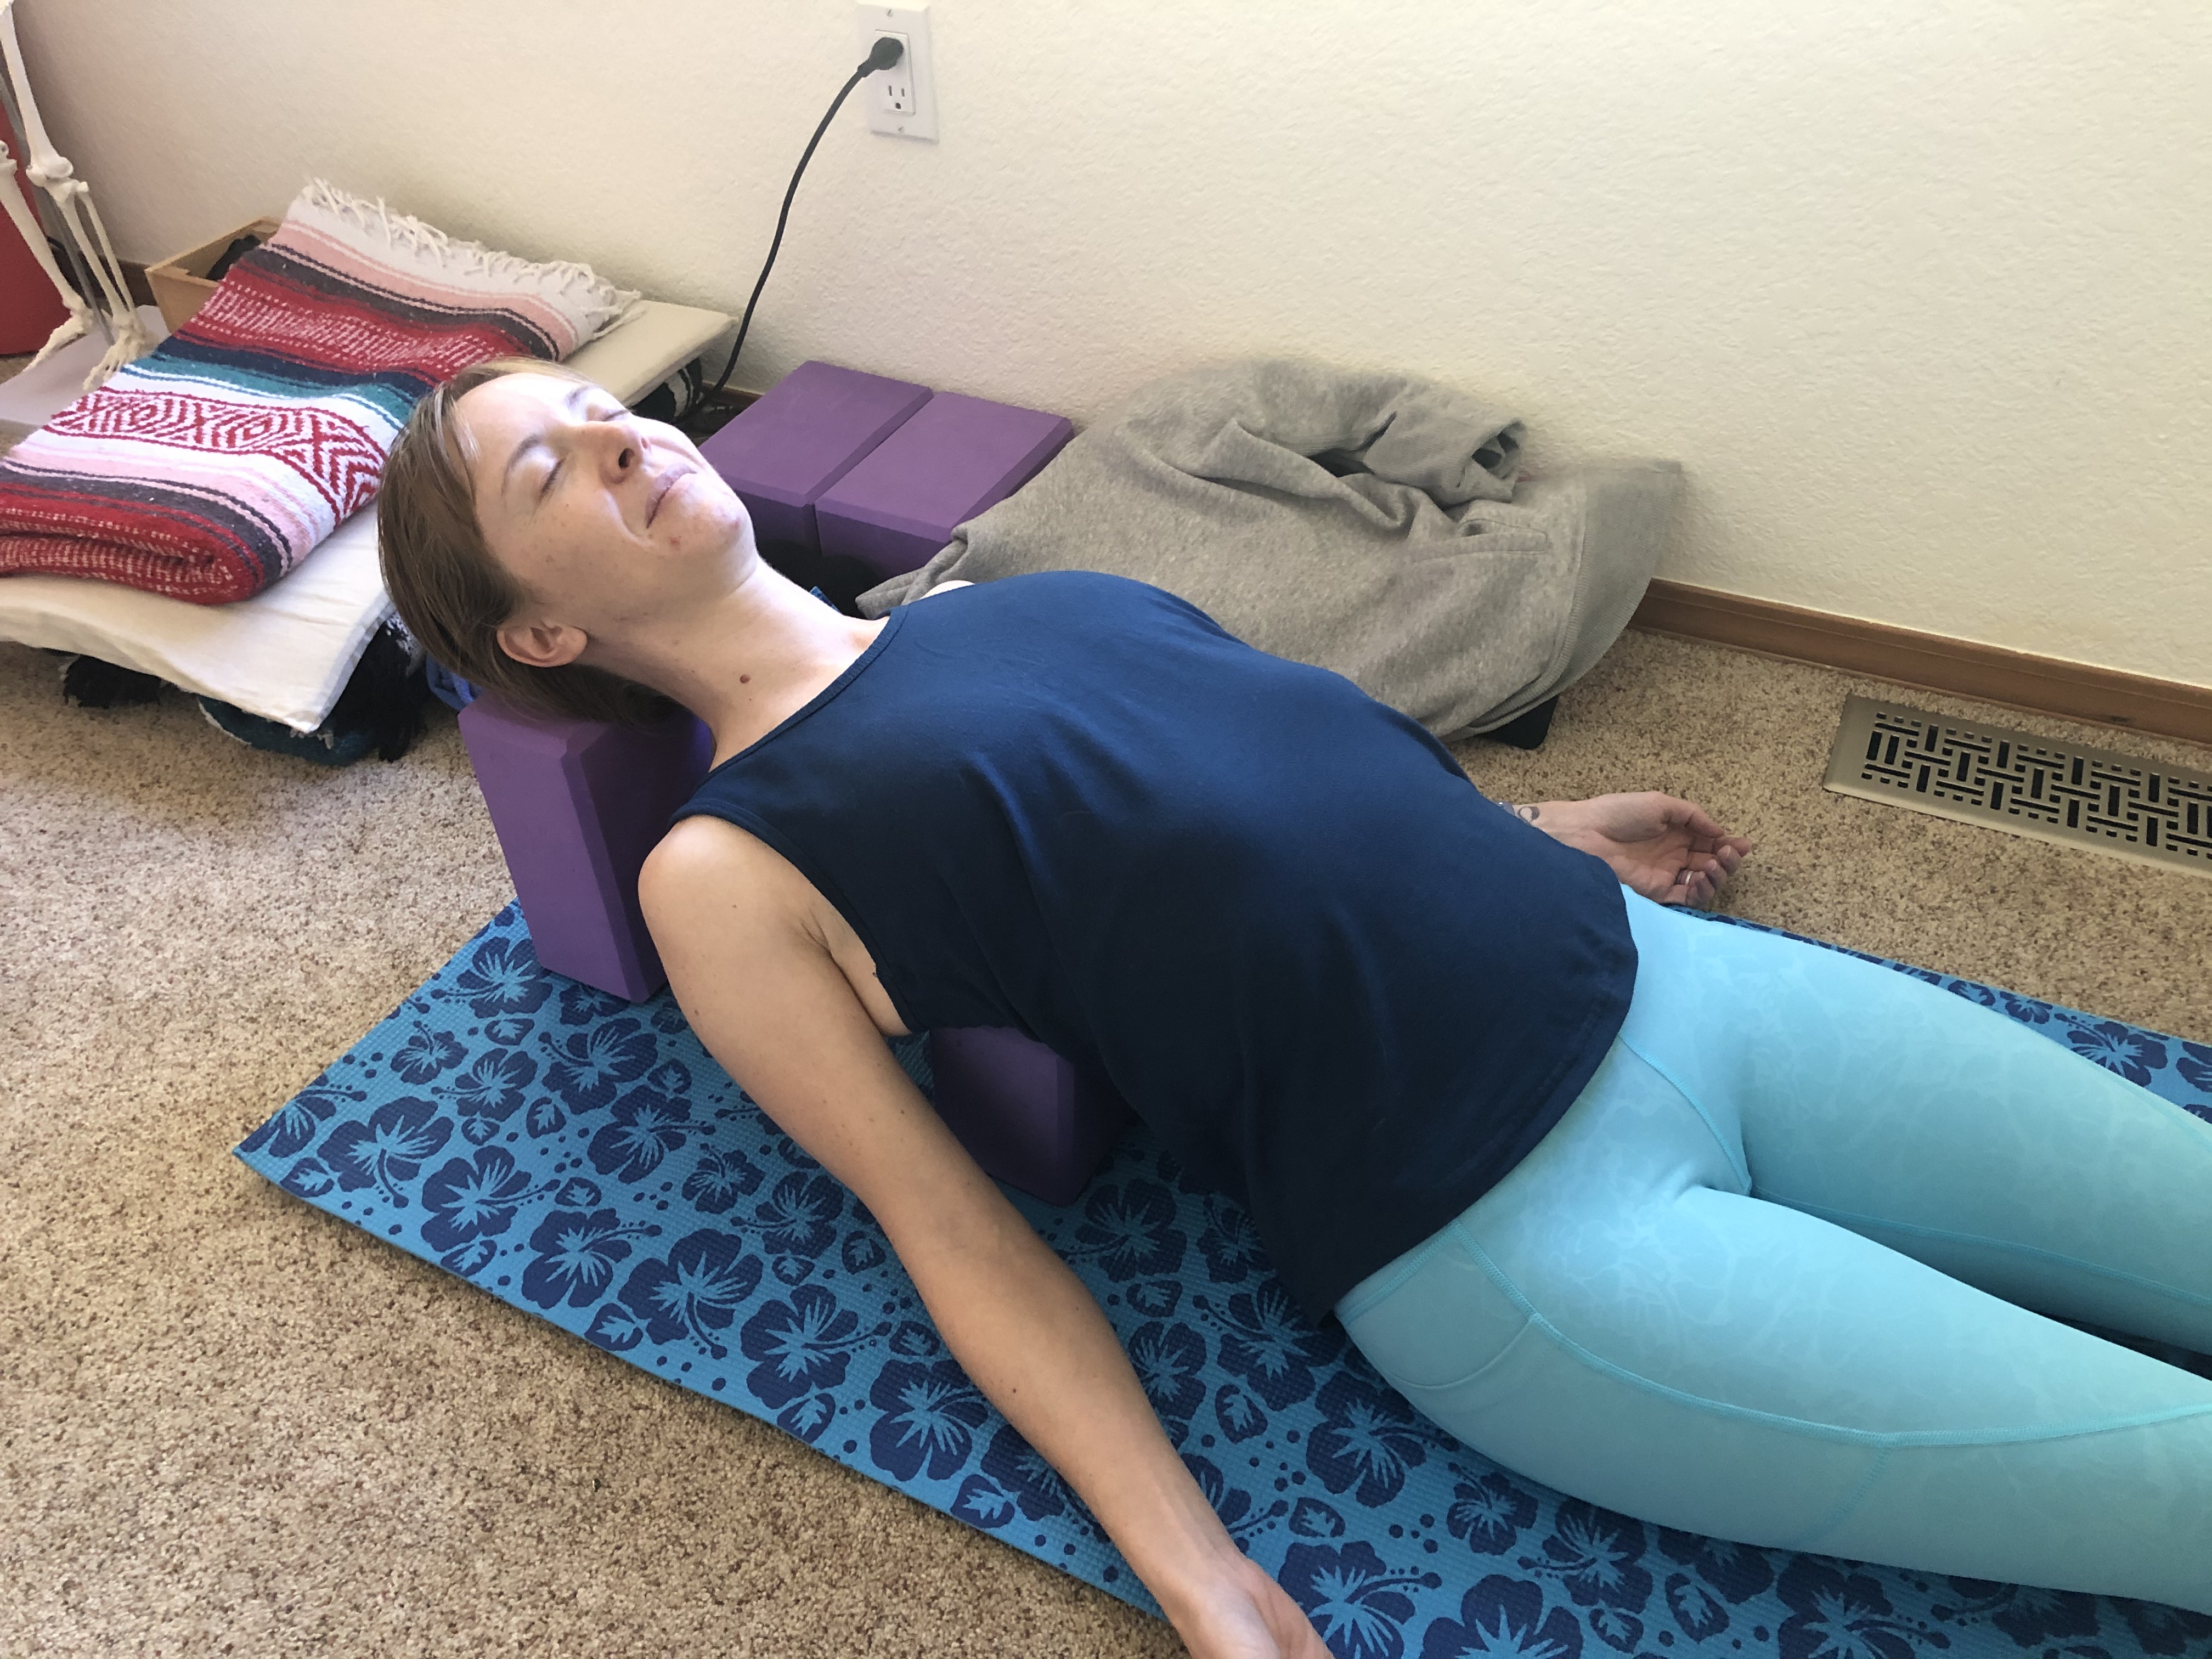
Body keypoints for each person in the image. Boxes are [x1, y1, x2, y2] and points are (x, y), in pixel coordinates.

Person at [377, 358, 2212, 1651]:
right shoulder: (723, 865)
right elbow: (946, 1227)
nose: (614, 440)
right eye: (547, 473)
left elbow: (1278, 789)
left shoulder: (1016, 599)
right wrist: (1199, 1577)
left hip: (1690, 985)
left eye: (599, 406)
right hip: (1525, 1240)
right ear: (539, 634)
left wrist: (1539, 831)